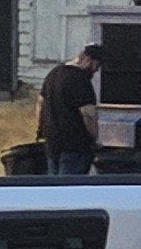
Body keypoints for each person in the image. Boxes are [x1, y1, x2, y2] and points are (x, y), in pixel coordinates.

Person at [35, 42, 103, 175]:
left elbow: (39, 105)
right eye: (97, 65)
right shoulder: (81, 79)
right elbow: (88, 114)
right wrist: (95, 138)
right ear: (89, 60)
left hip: (52, 144)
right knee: (71, 188)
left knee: (54, 189)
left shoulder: (53, 74)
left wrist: (42, 129)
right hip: (75, 146)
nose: (96, 70)